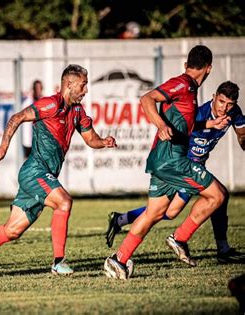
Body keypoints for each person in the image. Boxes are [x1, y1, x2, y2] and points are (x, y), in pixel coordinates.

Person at [0, 64, 117, 278]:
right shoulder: (50, 105)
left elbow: (91, 139)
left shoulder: (77, 111)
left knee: (12, 231)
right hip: (35, 171)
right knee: (64, 201)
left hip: (44, 176)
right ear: (69, 84)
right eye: (83, 85)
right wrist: (3, 146)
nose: (86, 90)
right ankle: (58, 262)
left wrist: (104, 142)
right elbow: (16, 118)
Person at [104, 45, 227, 280]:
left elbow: (184, 125)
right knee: (219, 195)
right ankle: (179, 238)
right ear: (209, 68)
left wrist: (210, 125)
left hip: (164, 160)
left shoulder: (190, 90)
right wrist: (160, 126)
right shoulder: (184, 84)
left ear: (187, 64)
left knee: (154, 213)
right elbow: (147, 98)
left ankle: (118, 260)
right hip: (173, 160)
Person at [105, 81, 245, 264]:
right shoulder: (200, 113)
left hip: (193, 167)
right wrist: (210, 125)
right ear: (214, 97)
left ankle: (120, 223)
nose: (224, 108)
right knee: (214, 197)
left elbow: (242, 135)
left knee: (176, 209)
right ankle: (183, 240)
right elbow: (186, 126)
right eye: (221, 102)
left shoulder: (234, 113)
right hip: (183, 166)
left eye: (229, 104)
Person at [21, 80, 43, 158]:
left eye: (39, 89)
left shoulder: (44, 102)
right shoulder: (27, 103)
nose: (38, 91)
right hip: (29, 141)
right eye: (36, 89)